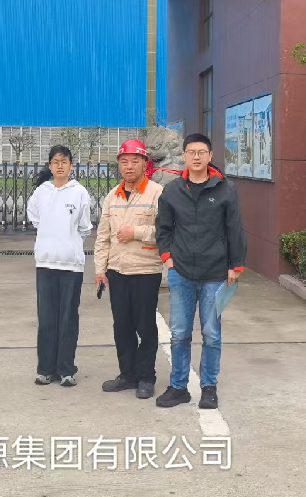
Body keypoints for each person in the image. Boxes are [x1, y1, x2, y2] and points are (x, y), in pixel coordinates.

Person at [155, 133, 247, 409]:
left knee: (211, 333)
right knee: (180, 333)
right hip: (181, 272)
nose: (196, 157)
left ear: (210, 156)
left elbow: (234, 228)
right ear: (184, 156)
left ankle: (209, 387)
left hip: (215, 273)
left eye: (201, 152)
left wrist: (236, 265)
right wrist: (168, 257)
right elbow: (163, 228)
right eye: (191, 152)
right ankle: (178, 386)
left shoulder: (225, 189)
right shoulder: (173, 191)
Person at [94, 139, 165, 399]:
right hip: (117, 271)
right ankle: (127, 374)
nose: (129, 166)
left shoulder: (157, 193)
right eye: (124, 161)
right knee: (121, 326)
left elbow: (166, 232)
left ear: (145, 164)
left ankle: (146, 377)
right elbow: (103, 236)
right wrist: (100, 269)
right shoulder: (112, 196)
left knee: (145, 326)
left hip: (146, 271)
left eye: (135, 161)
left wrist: (135, 232)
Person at [27, 145, 93, 387]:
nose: (60, 166)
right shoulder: (41, 193)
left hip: (71, 266)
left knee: (67, 318)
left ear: (71, 166)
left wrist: (67, 241)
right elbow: (35, 218)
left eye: (64, 162)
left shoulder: (79, 193)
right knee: (46, 319)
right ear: (50, 165)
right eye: (55, 162)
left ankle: (66, 369)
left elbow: (84, 227)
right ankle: (45, 369)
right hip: (45, 263)